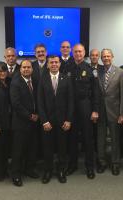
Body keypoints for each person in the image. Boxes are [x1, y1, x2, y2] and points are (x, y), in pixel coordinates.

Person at [37, 55, 74, 184]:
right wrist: (44, 121)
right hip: (48, 122)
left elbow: (70, 101)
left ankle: (61, 171)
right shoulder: (43, 79)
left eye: (56, 62)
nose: (53, 64)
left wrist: (69, 120)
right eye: (51, 62)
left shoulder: (66, 79)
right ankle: (47, 171)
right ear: (47, 64)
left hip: (63, 121)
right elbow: (40, 102)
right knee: (47, 148)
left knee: (62, 148)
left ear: (60, 64)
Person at [65, 44, 99, 179]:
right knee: (72, 138)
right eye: (76, 52)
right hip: (70, 107)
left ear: (84, 53)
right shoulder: (66, 67)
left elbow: (96, 91)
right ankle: (72, 165)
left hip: (85, 105)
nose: (78, 54)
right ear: (72, 53)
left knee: (88, 138)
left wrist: (95, 110)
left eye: (80, 51)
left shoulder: (90, 69)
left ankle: (89, 167)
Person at [96, 49, 123, 175]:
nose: (106, 58)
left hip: (115, 112)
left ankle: (115, 163)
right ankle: (102, 162)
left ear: (112, 57)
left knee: (115, 139)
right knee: (101, 139)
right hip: (100, 111)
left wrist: (122, 113)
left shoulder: (121, 72)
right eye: (103, 56)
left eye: (108, 56)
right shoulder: (97, 72)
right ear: (101, 58)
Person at [10, 60, 40, 187]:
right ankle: (16, 175)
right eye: (24, 67)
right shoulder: (15, 83)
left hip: (34, 122)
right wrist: (30, 116)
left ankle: (29, 169)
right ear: (20, 69)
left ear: (32, 69)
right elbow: (15, 104)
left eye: (28, 67)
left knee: (31, 148)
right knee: (18, 150)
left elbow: (38, 99)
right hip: (21, 122)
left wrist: (37, 114)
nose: (26, 69)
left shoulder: (35, 81)